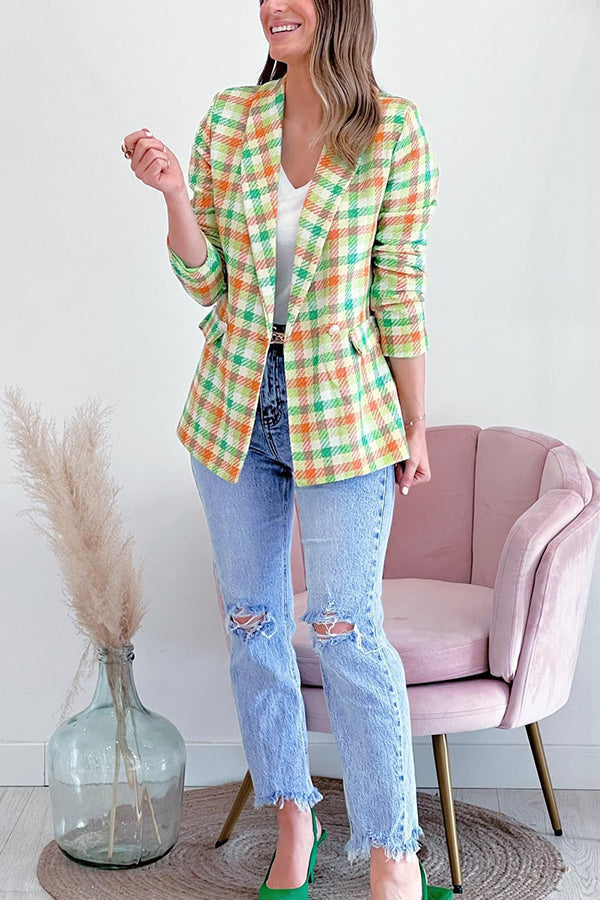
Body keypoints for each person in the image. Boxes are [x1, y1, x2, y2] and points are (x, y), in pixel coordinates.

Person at [122, 2, 449, 897]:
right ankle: (293, 816)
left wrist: (416, 421)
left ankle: (392, 849)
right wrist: (175, 195)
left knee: (346, 631)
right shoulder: (233, 117)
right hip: (235, 405)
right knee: (253, 625)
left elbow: (399, 287)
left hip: (343, 410)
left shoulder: (393, 131)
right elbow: (208, 281)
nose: (274, 4)